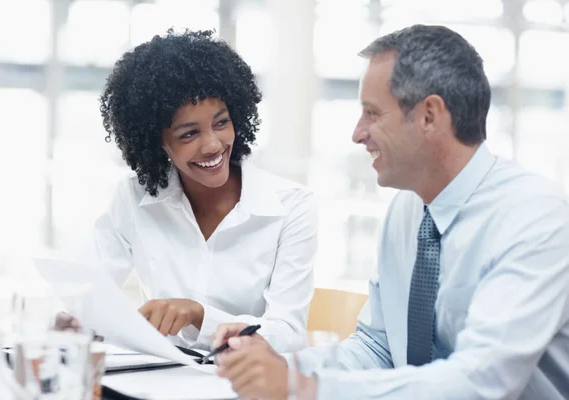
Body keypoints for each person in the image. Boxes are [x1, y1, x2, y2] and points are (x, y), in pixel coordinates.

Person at [213, 24, 569, 399]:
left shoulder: (536, 219)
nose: (357, 133)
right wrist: (280, 365)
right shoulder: (408, 209)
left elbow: (480, 383)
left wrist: (306, 388)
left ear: (430, 115)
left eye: (372, 113)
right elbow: (378, 348)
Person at [70, 29, 318, 352]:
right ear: (158, 142)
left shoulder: (292, 207)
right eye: (189, 134)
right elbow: (87, 289)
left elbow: (289, 335)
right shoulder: (133, 200)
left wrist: (200, 316)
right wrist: (74, 319)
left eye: (220, 123)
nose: (213, 145)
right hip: (160, 382)